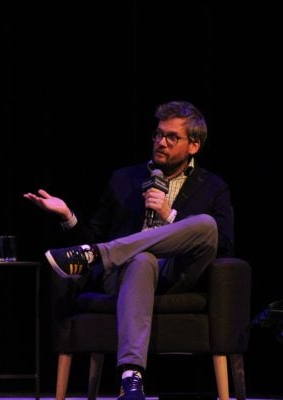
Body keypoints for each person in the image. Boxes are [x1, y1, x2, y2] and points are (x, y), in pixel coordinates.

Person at [24, 100, 233, 400]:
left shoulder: (213, 186)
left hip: (179, 272)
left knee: (206, 224)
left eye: (172, 137)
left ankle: (100, 253)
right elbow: (92, 234)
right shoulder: (125, 179)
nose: (161, 142)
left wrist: (169, 216)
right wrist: (67, 215)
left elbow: (224, 243)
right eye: (158, 134)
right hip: (126, 274)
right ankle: (131, 379)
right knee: (142, 260)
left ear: (194, 146)